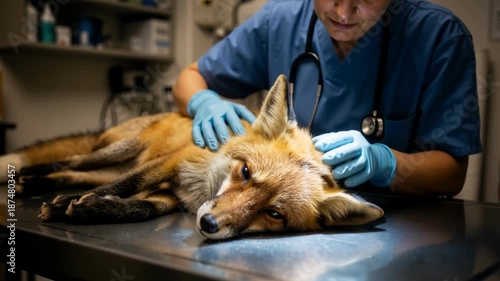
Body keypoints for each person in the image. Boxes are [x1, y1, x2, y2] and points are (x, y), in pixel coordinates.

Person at [173, 0, 482, 196]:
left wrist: (385, 163)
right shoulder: (279, 20)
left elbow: (452, 174)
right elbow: (190, 77)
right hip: (281, 212)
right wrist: (204, 102)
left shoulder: (438, 37)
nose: (344, 12)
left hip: (396, 227)